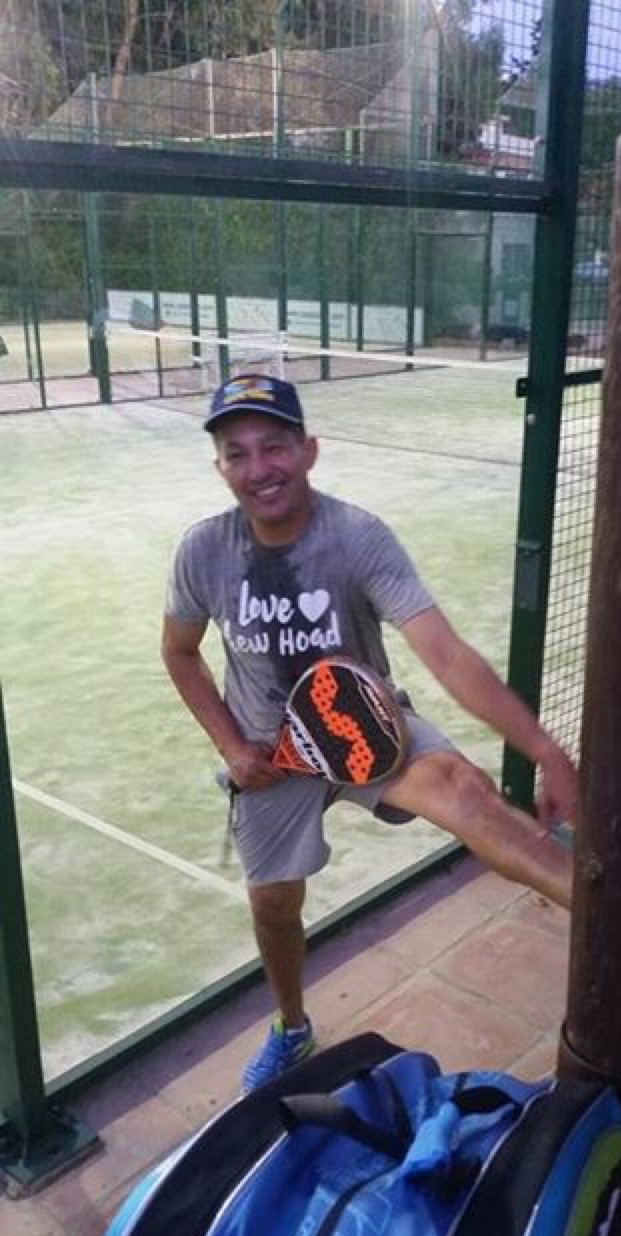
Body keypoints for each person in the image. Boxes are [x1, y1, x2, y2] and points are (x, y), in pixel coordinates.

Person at [162, 373, 577, 1089]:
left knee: (468, 793)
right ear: (220, 468)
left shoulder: (356, 537)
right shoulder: (203, 551)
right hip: (271, 754)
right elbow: (179, 652)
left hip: (366, 725)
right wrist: (232, 746)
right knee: (274, 908)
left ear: (309, 450)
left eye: (274, 446)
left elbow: (445, 653)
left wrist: (547, 751)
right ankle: (292, 1027)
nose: (258, 468)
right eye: (237, 454)